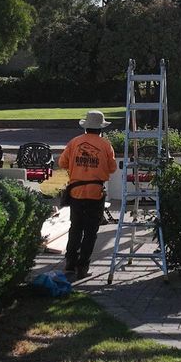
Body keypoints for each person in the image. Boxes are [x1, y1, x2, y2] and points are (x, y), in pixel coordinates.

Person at [57, 109, 118, 279]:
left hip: (76, 192)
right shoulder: (106, 145)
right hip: (95, 194)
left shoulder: (74, 142)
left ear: (86, 127)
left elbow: (62, 162)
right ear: (101, 128)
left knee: (75, 228)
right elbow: (112, 168)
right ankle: (83, 267)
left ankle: (70, 263)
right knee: (91, 232)